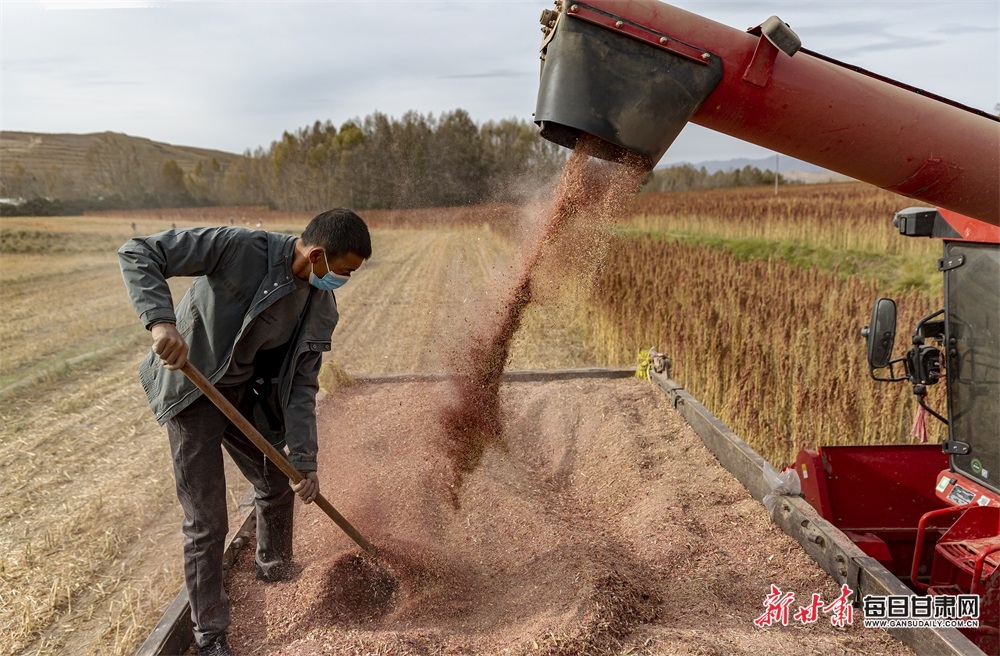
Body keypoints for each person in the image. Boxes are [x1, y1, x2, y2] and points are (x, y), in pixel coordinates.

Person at [118, 209, 371, 656]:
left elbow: (301, 387)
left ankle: (274, 568)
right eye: (344, 271)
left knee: (277, 481)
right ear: (316, 255)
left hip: (240, 391)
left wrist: (305, 463)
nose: (344, 281)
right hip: (193, 386)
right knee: (207, 521)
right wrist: (161, 322)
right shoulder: (239, 248)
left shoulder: (319, 306)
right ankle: (210, 633)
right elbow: (141, 251)